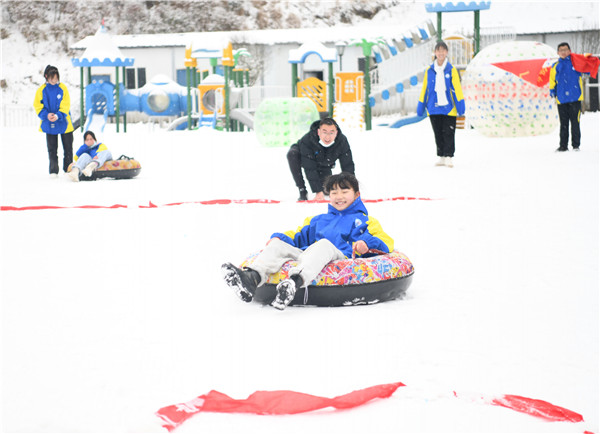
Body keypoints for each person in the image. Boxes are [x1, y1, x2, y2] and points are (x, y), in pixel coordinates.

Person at [221, 172, 394, 310]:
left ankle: (293, 283)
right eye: (334, 192)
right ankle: (251, 278)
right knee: (278, 245)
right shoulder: (318, 220)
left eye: (344, 191)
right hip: (310, 255)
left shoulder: (365, 221)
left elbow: (384, 240)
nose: (338, 196)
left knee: (324, 244)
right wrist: (280, 238)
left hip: (341, 256)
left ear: (356, 194)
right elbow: (299, 236)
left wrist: (366, 244)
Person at [417, 41, 465, 168]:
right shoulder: (429, 70)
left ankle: (449, 156)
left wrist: (460, 105)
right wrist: (421, 104)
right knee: (438, 132)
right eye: (438, 50)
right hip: (433, 106)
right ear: (435, 52)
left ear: (447, 52)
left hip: (449, 108)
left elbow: (457, 88)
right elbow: (425, 89)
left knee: (448, 133)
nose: (441, 53)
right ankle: (442, 156)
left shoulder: (452, 70)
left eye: (443, 50)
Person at [287, 117, 355, 201]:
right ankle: (302, 190)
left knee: (326, 190)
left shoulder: (342, 141)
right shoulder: (307, 140)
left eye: (331, 133)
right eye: (324, 132)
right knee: (292, 154)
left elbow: (347, 165)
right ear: (319, 132)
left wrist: (351, 188)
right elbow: (309, 167)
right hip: (305, 159)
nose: (327, 137)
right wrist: (317, 191)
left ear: (336, 133)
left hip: (325, 164)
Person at [33, 65, 74, 178]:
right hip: (49, 122)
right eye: (52, 78)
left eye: (56, 78)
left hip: (64, 122)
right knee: (52, 149)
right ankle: (53, 171)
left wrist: (58, 115)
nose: (54, 80)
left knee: (68, 148)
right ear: (46, 77)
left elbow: (66, 104)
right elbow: (37, 105)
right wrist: (46, 115)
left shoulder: (63, 88)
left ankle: (68, 169)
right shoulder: (41, 90)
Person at [549, 42, 583, 152]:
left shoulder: (576, 63)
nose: (563, 52)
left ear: (569, 51)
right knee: (564, 123)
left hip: (575, 97)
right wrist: (552, 91)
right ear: (558, 52)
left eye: (565, 50)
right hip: (561, 98)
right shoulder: (555, 66)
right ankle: (563, 146)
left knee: (575, 122)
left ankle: (576, 145)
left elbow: (587, 68)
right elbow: (552, 81)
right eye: (561, 50)